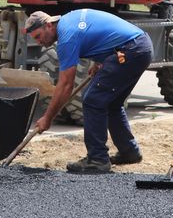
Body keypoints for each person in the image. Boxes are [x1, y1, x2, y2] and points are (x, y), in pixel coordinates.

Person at [25, 9, 152, 174]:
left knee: (92, 101)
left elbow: (65, 85)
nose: (39, 42)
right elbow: (96, 33)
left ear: (49, 25)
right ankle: (129, 152)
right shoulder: (69, 19)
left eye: (38, 36)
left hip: (129, 51)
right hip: (140, 46)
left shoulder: (66, 38)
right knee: (112, 103)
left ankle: (97, 159)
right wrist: (98, 61)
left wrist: (48, 118)